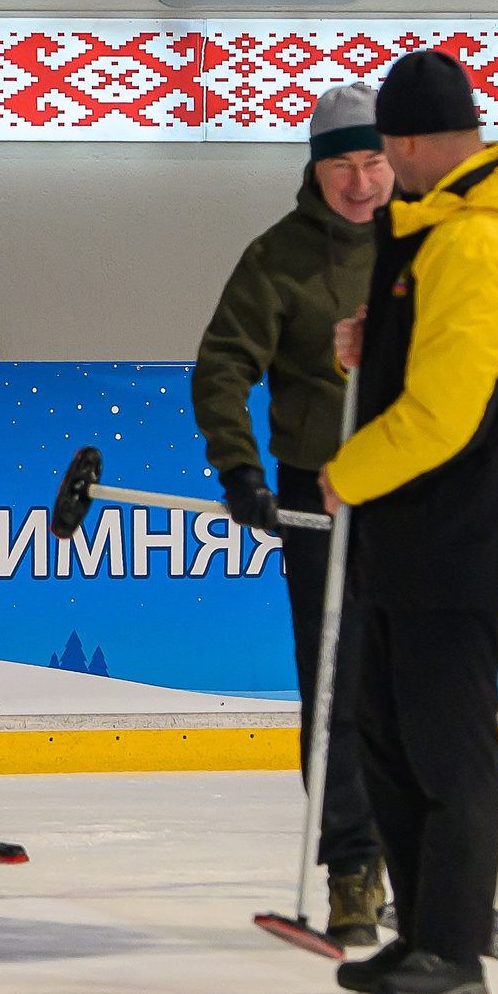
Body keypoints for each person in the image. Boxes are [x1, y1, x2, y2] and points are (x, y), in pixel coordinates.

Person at [321, 51, 498, 994]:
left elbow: (447, 410)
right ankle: (420, 935)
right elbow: (425, 358)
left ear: (419, 140)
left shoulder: (476, 237)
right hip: (417, 539)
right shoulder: (436, 230)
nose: (385, 168)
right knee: (391, 739)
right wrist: (372, 340)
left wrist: (347, 475)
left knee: (446, 745)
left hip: (457, 536)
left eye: (391, 148)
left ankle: (455, 949)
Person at [193, 83, 393, 950]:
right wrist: (241, 468)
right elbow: (222, 365)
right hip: (322, 488)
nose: (360, 180)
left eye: (374, 160)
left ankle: (419, 856)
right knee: (337, 687)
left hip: (418, 487)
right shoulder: (278, 258)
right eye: (342, 163)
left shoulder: (431, 242)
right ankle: (351, 868)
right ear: (315, 169)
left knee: (416, 683)